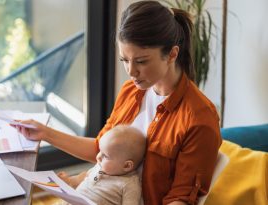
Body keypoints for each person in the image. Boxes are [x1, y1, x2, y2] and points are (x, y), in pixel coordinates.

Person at [13, 1, 222, 204]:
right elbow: (101, 149)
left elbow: (181, 199)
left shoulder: (199, 119)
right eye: (125, 60)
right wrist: (45, 133)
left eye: (141, 61)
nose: (131, 72)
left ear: (172, 54)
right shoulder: (131, 92)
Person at [74, 125, 146, 205]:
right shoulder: (100, 168)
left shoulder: (129, 185)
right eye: (100, 151)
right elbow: (89, 179)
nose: (98, 157)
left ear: (127, 166)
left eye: (105, 156)